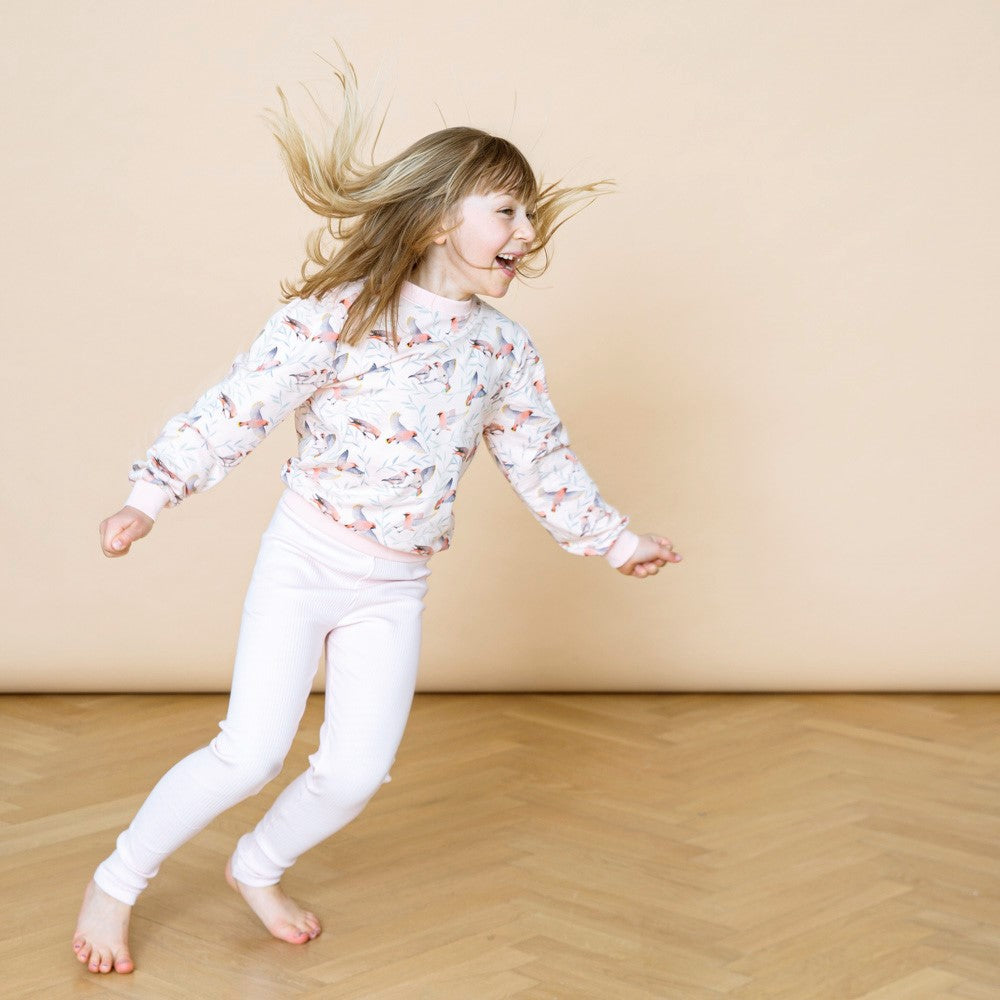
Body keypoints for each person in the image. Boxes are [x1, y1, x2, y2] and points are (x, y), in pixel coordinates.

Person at [73, 55, 682, 976]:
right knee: (248, 753)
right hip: (306, 559)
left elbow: (540, 458)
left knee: (355, 772)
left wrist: (615, 539)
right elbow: (241, 405)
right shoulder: (340, 317)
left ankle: (256, 866)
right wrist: (149, 495)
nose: (527, 229)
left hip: (395, 584)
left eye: (528, 213)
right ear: (443, 218)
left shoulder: (502, 352)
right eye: (506, 211)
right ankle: (115, 884)